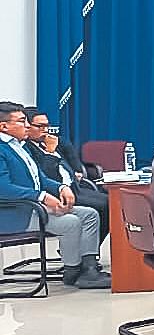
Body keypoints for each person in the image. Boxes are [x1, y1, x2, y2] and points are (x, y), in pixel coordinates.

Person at [0, 101, 108, 288]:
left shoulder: (20, 147)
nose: (27, 126)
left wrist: (60, 188)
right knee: (71, 222)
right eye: (22, 121)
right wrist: (41, 197)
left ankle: (89, 269)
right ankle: (73, 271)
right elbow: (3, 188)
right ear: (4, 126)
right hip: (16, 213)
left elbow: (40, 178)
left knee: (89, 215)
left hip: (34, 207)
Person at [22, 108, 108, 242]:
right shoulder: (26, 148)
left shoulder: (55, 141)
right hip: (56, 193)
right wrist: (50, 152)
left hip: (74, 188)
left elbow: (72, 158)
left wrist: (77, 171)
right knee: (103, 207)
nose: (45, 130)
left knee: (111, 201)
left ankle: (89, 248)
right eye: (40, 126)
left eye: (47, 126)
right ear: (27, 126)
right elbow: (47, 176)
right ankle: (84, 249)